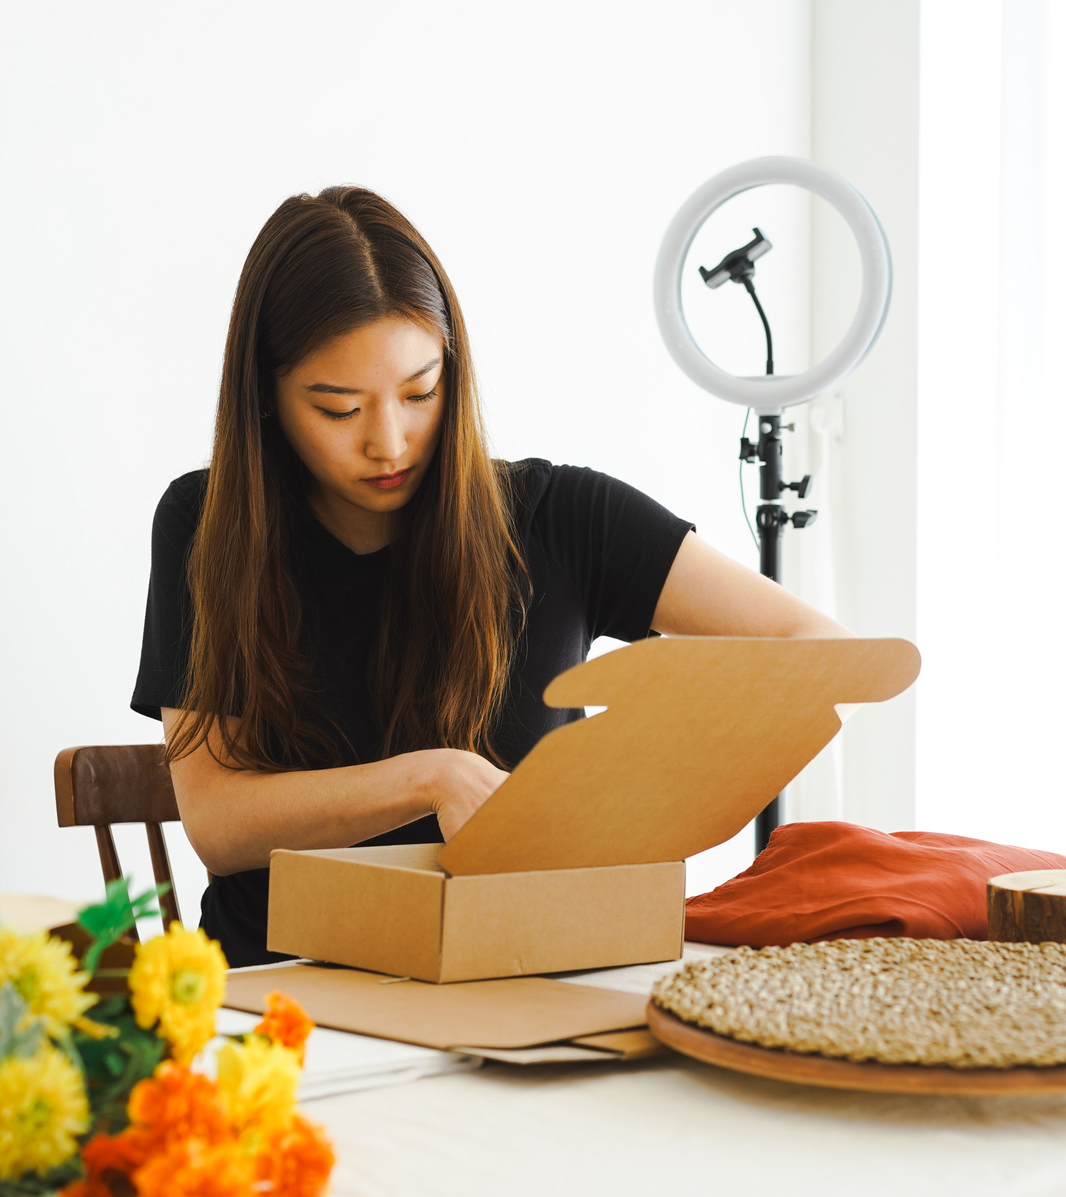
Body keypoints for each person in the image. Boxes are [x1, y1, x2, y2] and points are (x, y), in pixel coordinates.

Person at [132, 186, 850, 967]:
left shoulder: (562, 516)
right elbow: (219, 823)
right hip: (282, 987)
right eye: (338, 409)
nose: (389, 442)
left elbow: (823, 650)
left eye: (420, 393)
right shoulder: (205, 525)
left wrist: (645, 775)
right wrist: (431, 778)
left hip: (520, 968)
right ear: (265, 399)